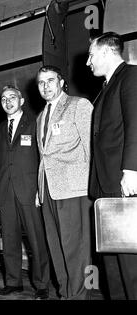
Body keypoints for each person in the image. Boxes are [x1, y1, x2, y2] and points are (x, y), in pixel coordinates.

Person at [86, 32, 137, 300]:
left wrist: (131, 171)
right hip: (105, 186)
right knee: (112, 262)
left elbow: (135, 124)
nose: (88, 62)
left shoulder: (130, 76)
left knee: (130, 264)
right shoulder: (107, 87)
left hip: (122, 183)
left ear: (107, 52)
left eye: (91, 55)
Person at [36, 65, 93, 300]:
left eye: (50, 80)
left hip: (74, 187)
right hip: (48, 189)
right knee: (57, 247)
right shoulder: (41, 116)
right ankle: (65, 294)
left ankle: (80, 296)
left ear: (61, 82)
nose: (45, 86)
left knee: (77, 249)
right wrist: (38, 190)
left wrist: (93, 186)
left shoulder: (79, 105)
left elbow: (91, 148)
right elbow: (44, 156)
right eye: (41, 82)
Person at [0, 85, 50, 299]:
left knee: (36, 238)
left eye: (12, 97)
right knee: (9, 238)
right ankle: (13, 282)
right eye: (4, 98)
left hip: (29, 191)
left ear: (21, 101)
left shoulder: (35, 123)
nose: (7, 101)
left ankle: (42, 284)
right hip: (5, 192)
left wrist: (40, 188)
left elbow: (43, 158)